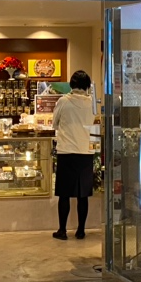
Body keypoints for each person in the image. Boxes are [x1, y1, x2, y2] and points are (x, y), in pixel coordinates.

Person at [52, 70, 95, 240]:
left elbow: (54, 123)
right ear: (87, 85)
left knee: (64, 194)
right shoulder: (92, 102)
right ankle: (81, 230)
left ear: (72, 84)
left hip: (66, 151)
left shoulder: (63, 101)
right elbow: (95, 124)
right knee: (82, 195)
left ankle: (62, 230)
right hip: (86, 152)